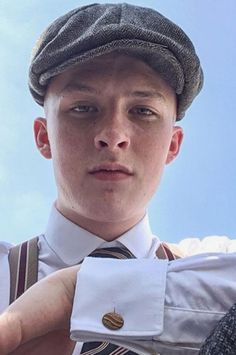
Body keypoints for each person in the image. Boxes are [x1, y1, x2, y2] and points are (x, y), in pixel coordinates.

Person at [0, 3, 235, 355]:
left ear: (173, 145)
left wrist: (78, 293)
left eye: (142, 111)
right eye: (82, 107)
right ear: (43, 136)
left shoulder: (217, 258)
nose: (113, 135)